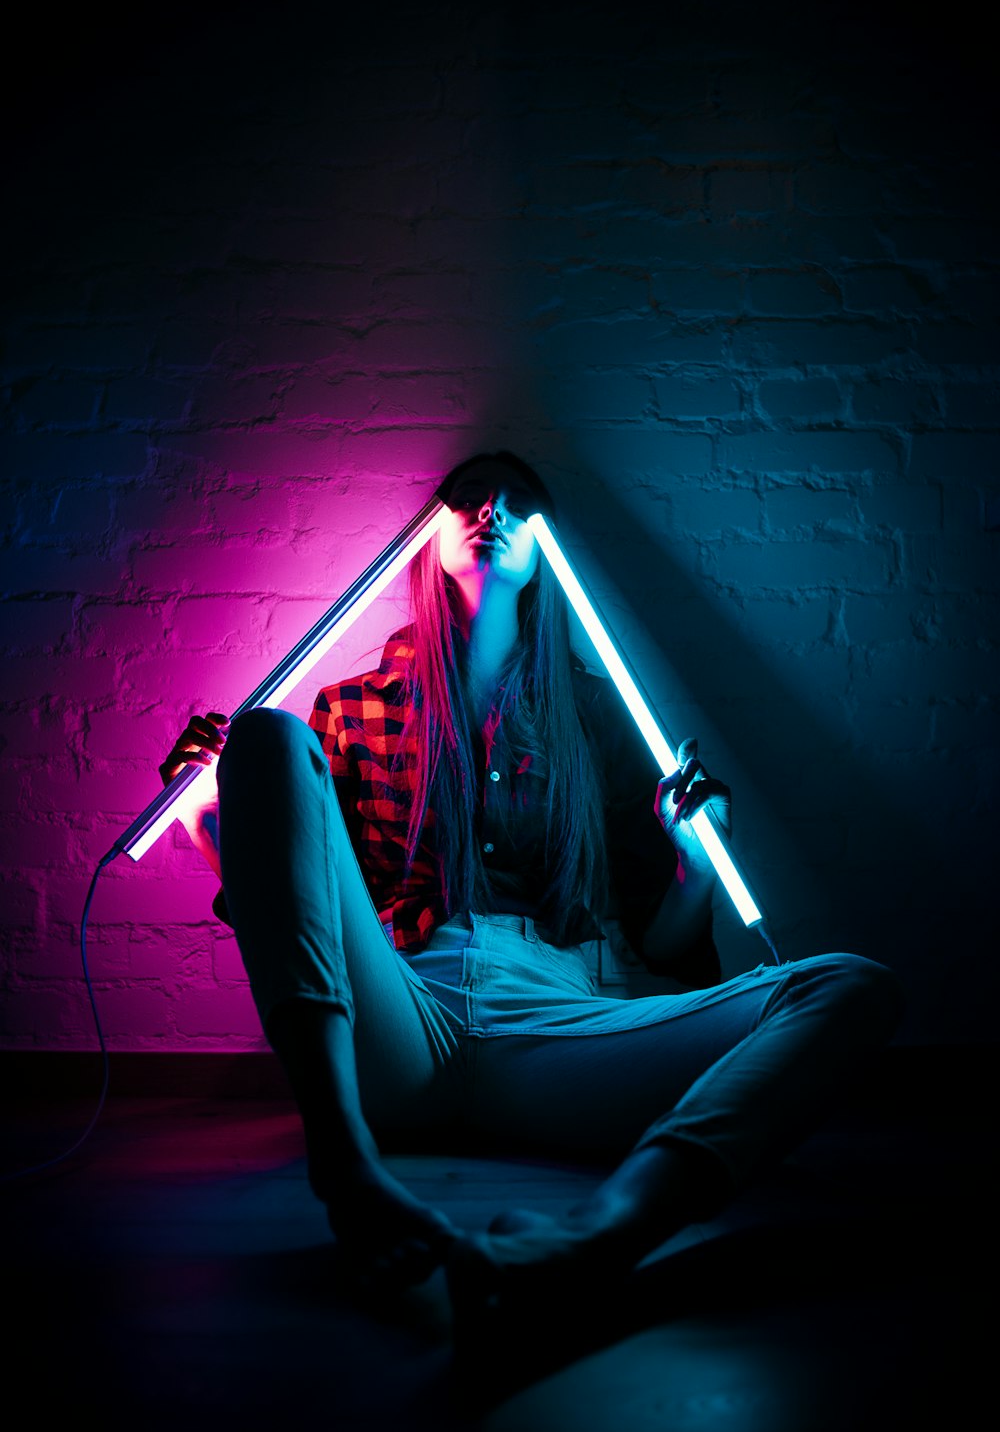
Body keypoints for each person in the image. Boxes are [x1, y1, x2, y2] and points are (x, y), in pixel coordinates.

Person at [159, 450, 902, 1327]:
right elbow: (320, 923)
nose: (491, 514)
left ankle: (601, 1234)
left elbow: (664, 948)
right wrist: (220, 816)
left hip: (568, 1029)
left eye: (516, 504)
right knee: (264, 740)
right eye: (470, 500)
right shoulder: (352, 710)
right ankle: (346, 1164)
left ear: (545, 547)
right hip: (406, 1020)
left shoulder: (601, 716)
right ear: (430, 536)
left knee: (852, 984)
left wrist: (698, 861)